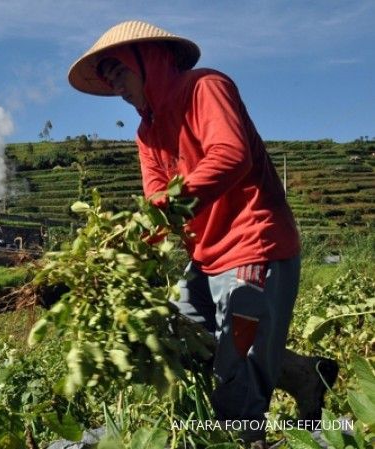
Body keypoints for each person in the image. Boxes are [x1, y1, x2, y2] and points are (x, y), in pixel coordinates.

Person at [68, 21, 337, 448]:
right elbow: (159, 206)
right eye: (108, 78)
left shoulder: (204, 87)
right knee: (177, 338)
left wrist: (157, 212)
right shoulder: (147, 133)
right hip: (207, 255)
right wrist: (123, 244)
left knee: (238, 368)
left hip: (254, 242)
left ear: (148, 58)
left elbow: (231, 155)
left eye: (119, 70)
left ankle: (245, 438)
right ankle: (306, 376)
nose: (116, 85)